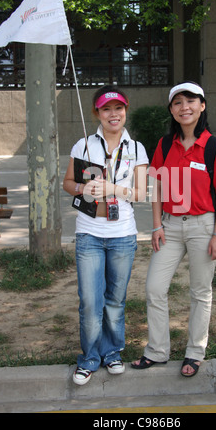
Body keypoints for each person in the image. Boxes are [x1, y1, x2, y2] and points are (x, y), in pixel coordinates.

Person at [131, 81, 216, 377]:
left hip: (204, 226)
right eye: (177, 102)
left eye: (191, 101)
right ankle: (157, 350)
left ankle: (194, 352)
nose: (184, 107)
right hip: (170, 227)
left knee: (200, 292)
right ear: (171, 110)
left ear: (202, 106)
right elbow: (157, 187)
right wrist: (155, 226)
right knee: (154, 288)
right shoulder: (165, 145)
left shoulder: (214, 146)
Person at [63, 85, 148, 386]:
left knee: (115, 299)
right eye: (106, 109)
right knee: (89, 300)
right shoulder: (83, 146)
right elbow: (68, 184)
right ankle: (89, 358)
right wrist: (82, 189)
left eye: (118, 108)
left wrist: (113, 189)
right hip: (89, 235)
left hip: (123, 235)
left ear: (126, 110)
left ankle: (112, 352)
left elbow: (140, 193)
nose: (114, 114)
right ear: (96, 113)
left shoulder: (137, 149)